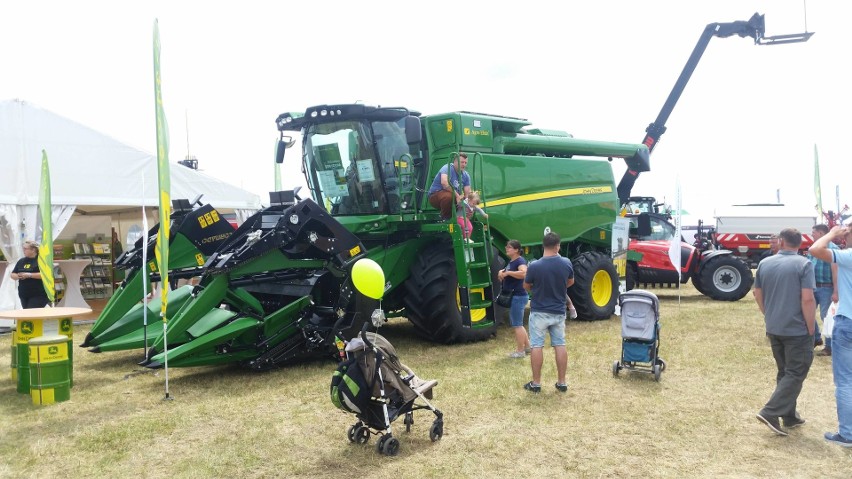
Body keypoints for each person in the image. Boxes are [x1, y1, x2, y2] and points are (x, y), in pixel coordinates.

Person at [753, 228, 815, 436]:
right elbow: (807, 298)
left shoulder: (765, 263)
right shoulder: (804, 264)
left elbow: (757, 292)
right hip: (796, 329)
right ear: (800, 243)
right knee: (796, 372)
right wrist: (812, 328)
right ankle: (771, 412)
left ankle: (789, 415)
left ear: (781, 241)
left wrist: (768, 313)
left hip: (774, 326)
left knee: (785, 371)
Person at [809, 223, 852, 447]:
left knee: (845, 380)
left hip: (849, 322)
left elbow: (815, 249)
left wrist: (832, 234)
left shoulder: (848, 255)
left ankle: (848, 434)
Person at [522, 232, 574, 393]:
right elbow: (570, 282)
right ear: (557, 245)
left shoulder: (535, 266)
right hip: (558, 311)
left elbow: (526, 286)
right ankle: (562, 382)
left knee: (537, 345)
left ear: (543, 246)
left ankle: (536, 383)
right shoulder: (566, 263)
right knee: (560, 344)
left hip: (539, 311)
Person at [808, 224, 838, 355]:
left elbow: (837, 272)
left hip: (827, 288)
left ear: (821, 233)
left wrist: (836, 291)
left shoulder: (833, 250)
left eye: (813, 232)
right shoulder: (813, 249)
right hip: (813, 287)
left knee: (827, 317)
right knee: (806, 313)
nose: (811, 234)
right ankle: (816, 338)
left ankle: (829, 347)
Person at [497, 240, 530, 358]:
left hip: (518, 296)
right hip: (516, 296)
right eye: (506, 246)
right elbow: (508, 273)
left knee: (517, 325)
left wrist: (508, 273)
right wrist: (502, 272)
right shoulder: (512, 261)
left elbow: (523, 273)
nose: (506, 248)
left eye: (509, 247)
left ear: (516, 250)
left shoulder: (520, 261)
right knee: (518, 324)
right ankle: (527, 347)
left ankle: (520, 351)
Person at [427, 153, 471, 220]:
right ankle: (446, 219)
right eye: (462, 162)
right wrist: (457, 196)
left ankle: (463, 221)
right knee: (449, 196)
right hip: (435, 196)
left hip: (454, 197)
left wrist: (466, 201)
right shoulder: (447, 168)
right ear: (455, 162)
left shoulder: (466, 175)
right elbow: (444, 183)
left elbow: (467, 192)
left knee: (470, 203)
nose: (464, 164)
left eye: (465, 163)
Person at [10, 240, 50, 309]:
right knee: (28, 315)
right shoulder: (21, 261)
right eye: (23, 248)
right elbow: (12, 274)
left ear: (33, 250)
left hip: (38, 294)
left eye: (25, 249)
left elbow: (45, 275)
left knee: (31, 314)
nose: (23, 250)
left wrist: (29, 275)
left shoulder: (41, 260)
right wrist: (18, 276)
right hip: (24, 294)